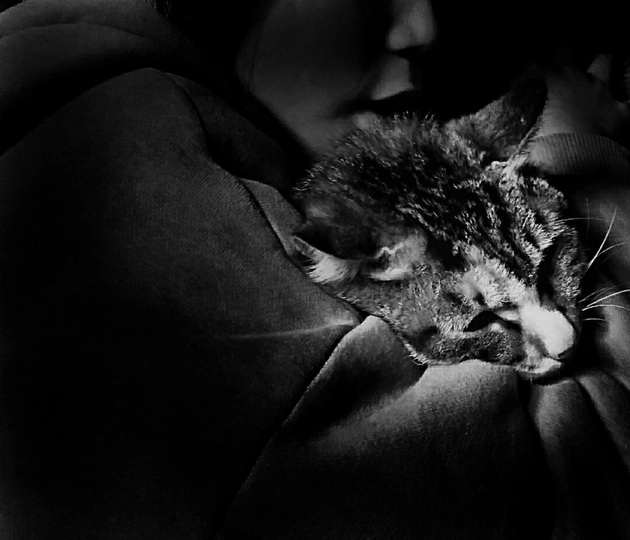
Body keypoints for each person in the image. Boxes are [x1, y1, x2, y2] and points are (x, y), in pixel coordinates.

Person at [0, 0, 629, 539]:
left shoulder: (108, 82)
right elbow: (570, 493)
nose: (422, 26)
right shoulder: (125, 182)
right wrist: (583, 156)